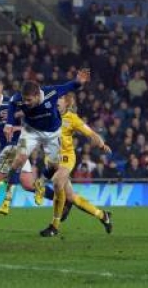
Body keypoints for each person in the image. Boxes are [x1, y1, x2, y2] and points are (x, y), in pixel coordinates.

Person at [4, 69, 90, 237]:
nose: (26, 103)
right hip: (31, 132)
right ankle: (9, 200)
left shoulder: (52, 92)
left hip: (52, 136)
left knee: (55, 169)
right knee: (20, 159)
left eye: (29, 100)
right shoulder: (19, 99)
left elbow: (69, 86)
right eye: (25, 100)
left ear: (38, 95)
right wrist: (8, 123)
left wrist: (79, 82)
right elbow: (13, 104)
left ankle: (69, 204)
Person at [0, 75, 56, 233]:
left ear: (1, 87)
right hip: (12, 148)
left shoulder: (14, 102)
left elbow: (33, 123)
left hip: (17, 145)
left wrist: (15, 128)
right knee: (29, 185)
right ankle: (62, 198)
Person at [34, 93, 113, 233]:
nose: (57, 101)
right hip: (52, 159)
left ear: (67, 104)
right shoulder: (48, 114)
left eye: (60, 99)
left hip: (66, 158)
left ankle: (54, 226)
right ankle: (103, 215)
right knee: (71, 197)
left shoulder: (72, 119)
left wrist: (101, 144)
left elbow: (90, 133)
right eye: (56, 99)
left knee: (57, 182)